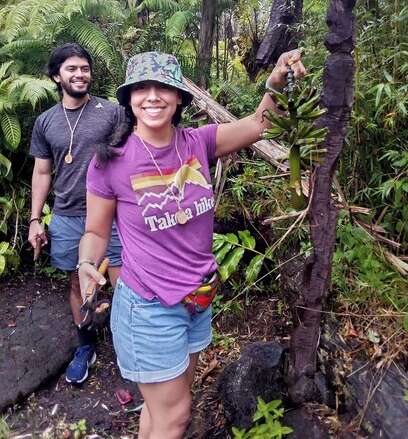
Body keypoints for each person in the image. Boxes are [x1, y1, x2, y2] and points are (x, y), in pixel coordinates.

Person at [77, 49, 305, 438]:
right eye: (141, 88)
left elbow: (258, 123)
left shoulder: (199, 142)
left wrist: (276, 82)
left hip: (198, 298)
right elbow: (97, 232)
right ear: (129, 99)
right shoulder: (110, 161)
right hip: (149, 306)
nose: (152, 96)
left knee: (164, 407)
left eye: (163, 87)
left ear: (180, 97)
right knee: (177, 415)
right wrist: (86, 263)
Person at [27, 42, 124, 385]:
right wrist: (36, 218)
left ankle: (132, 347)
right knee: (77, 283)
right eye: (71, 69)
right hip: (68, 215)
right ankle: (85, 346)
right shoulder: (45, 122)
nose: (80, 74)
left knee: (123, 282)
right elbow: (42, 173)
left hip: (112, 215)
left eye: (84, 68)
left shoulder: (112, 112)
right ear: (56, 76)